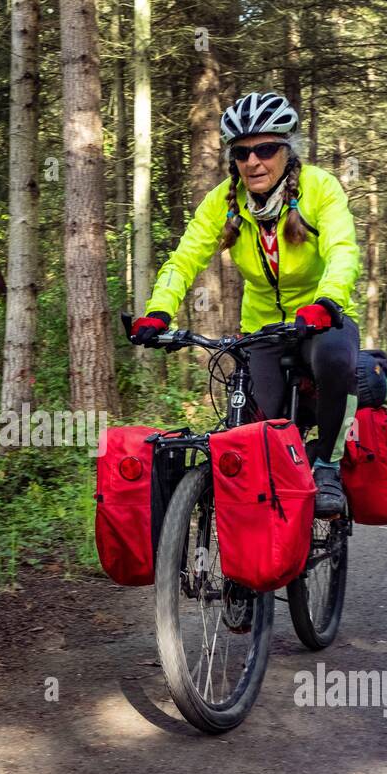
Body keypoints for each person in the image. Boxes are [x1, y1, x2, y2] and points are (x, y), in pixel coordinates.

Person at [131, 91, 361, 516]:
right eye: (241, 153)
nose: (253, 161)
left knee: (334, 359)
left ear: (287, 150)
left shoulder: (319, 188)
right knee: (257, 430)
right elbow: (184, 259)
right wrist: (159, 311)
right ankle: (257, 544)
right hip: (263, 328)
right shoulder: (224, 200)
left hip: (319, 320)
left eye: (265, 149)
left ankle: (328, 466)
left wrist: (328, 302)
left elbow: (343, 250)